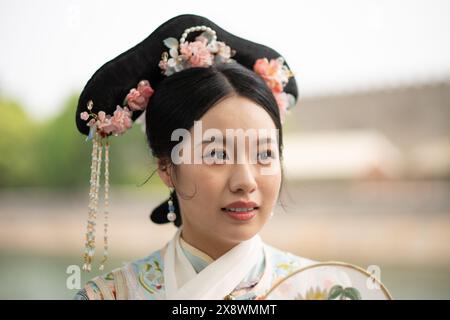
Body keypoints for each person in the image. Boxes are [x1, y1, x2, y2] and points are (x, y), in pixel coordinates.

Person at [73, 14, 315, 300]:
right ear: (166, 166)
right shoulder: (112, 295)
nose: (245, 181)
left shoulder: (321, 290)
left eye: (264, 154)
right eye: (217, 154)